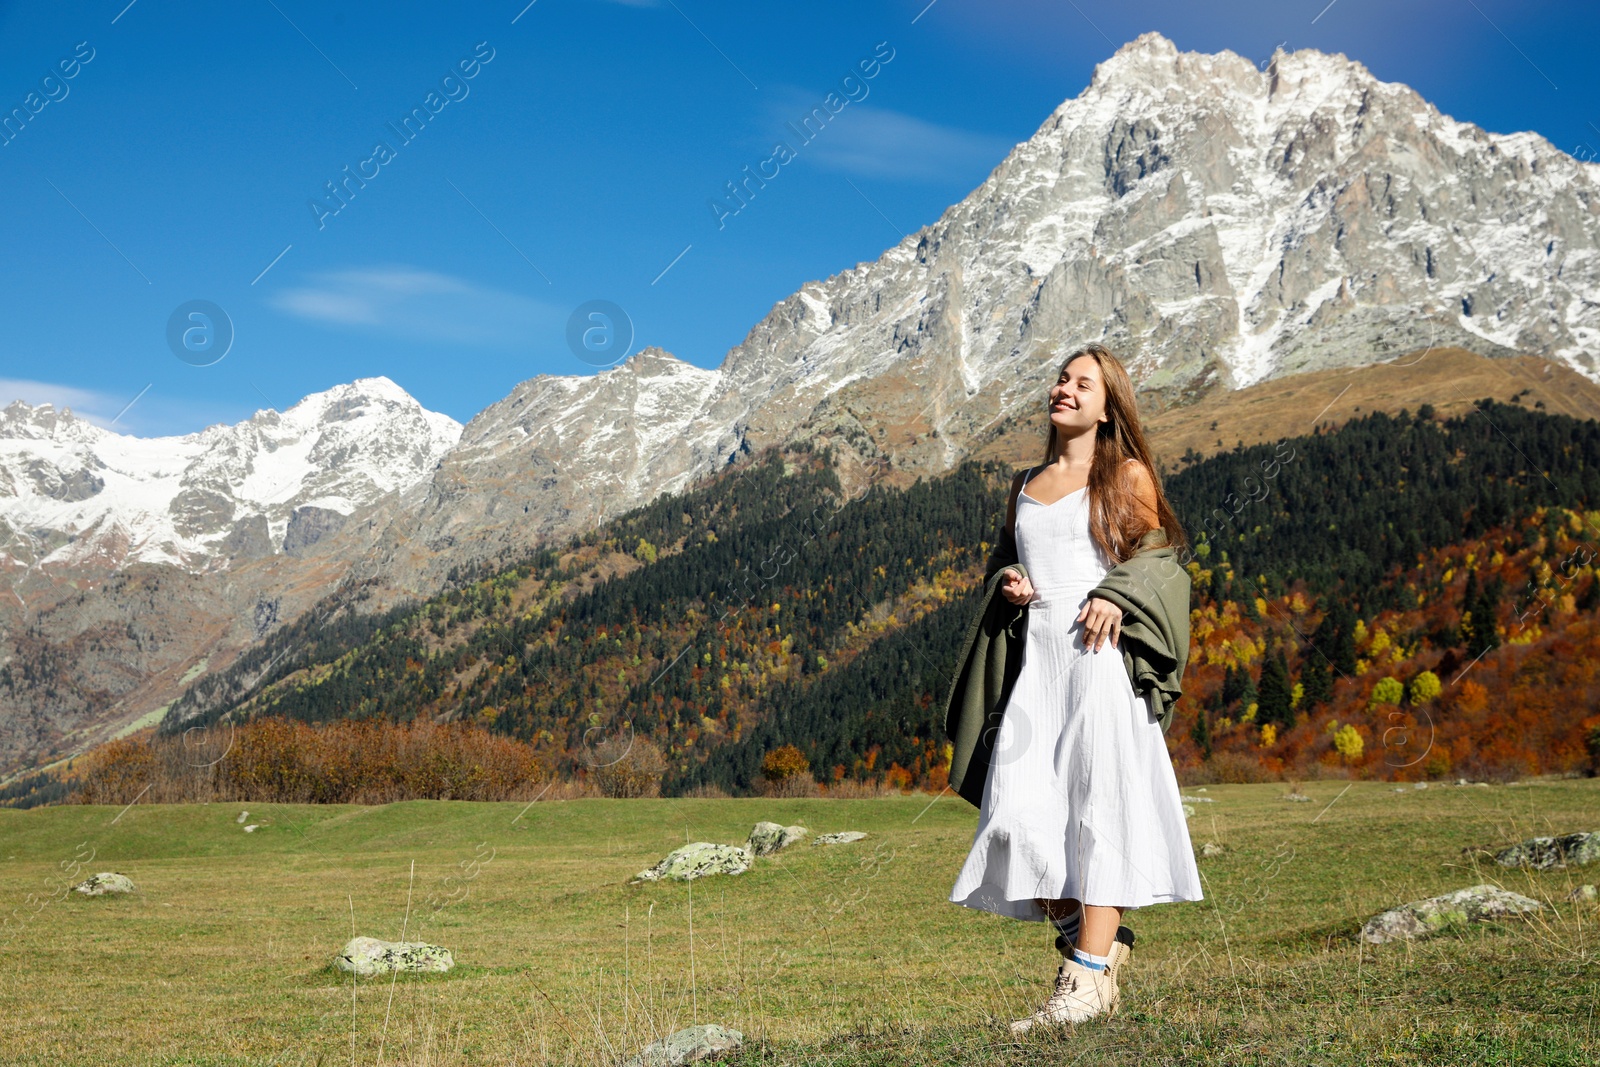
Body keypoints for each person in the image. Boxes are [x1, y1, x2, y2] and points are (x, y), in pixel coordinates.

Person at [946, 343, 1202, 1030]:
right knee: (1016, 818)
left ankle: (1084, 985)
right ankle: (1096, 944)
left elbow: (1159, 561)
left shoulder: (1127, 475)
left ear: (1108, 403)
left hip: (1098, 661)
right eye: (1062, 378)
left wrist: (1119, 595)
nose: (1066, 388)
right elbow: (1008, 556)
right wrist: (1009, 582)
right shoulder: (1025, 485)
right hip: (1040, 663)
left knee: (1100, 815)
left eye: (1083, 383)